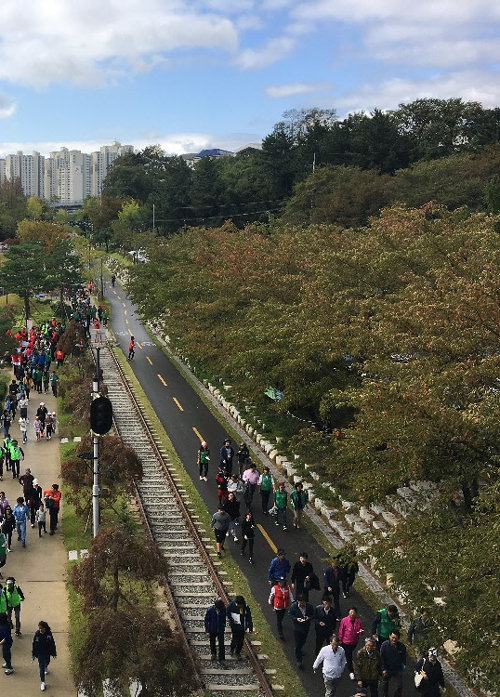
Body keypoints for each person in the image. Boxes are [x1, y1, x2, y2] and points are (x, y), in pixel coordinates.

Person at [289, 594, 315, 668]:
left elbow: (313, 614)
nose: (302, 604)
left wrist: (309, 617)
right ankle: (299, 660)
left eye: (303, 602)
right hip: (297, 627)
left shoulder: (309, 606)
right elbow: (290, 614)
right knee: (297, 643)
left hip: (305, 627)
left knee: (303, 640)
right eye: (301, 602)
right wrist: (296, 619)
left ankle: (299, 649)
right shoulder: (293, 606)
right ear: (298, 601)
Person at [338, 606, 364, 680]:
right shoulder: (344, 620)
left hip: (354, 641)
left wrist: (361, 632)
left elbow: (360, 630)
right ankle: (351, 672)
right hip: (346, 641)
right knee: (349, 656)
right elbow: (341, 630)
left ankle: (343, 658)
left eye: (353, 612)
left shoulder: (358, 621)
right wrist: (340, 639)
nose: (352, 614)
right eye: (351, 612)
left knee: (348, 653)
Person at [380, 629, 406, 697]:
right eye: (393, 637)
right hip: (387, 668)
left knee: (399, 686)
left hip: (397, 669)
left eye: (396, 638)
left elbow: (404, 658)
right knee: (385, 684)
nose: (394, 639)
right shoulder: (384, 645)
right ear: (389, 636)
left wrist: (403, 666)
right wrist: (383, 669)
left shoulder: (402, 646)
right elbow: (381, 658)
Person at [32, 620, 57, 691]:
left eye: (41, 628)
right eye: (39, 628)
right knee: (41, 668)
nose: (40, 630)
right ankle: (42, 682)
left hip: (47, 652)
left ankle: (46, 666)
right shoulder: (37, 634)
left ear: (45, 628)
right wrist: (34, 653)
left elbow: (52, 643)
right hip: (40, 654)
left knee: (47, 662)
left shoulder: (49, 634)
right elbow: (34, 644)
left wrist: (53, 652)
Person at [204, 599, 227, 666]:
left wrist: (223, 625)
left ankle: (222, 658)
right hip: (212, 629)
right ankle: (213, 653)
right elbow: (206, 621)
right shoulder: (210, 610)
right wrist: (207, 630)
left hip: (220, 629)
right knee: (212, 642)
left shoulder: (223, 610)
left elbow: (224, 619)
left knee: (221, 644)